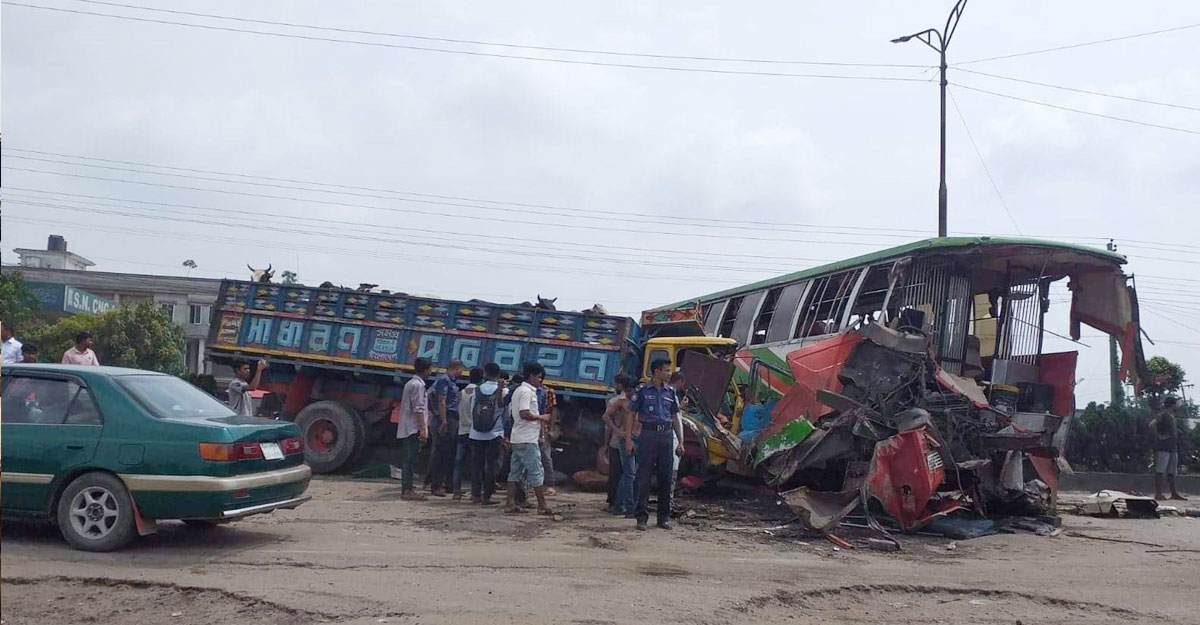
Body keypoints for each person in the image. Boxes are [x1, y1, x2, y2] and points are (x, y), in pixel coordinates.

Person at [629, 359, 685, 531]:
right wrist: (628, 439)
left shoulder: (670, 392)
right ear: (656, 371)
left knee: (666, 478)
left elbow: (675, 417)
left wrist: (680, 441)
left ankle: (663, 517)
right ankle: (641, 518)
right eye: (666, 370)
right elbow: (631, 414)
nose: (669, 374)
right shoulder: (643, 391)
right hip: (648, 435)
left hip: (666, 436)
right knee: (643, 477)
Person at [505, 362, 554, 516]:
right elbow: (524, 413)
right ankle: (542, 505)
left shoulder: (519, 390)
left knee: (515, 472)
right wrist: (542, 417)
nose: (541, 380)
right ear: (531, 376)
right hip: (527, 439)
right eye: (539, 377)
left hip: (518, 437)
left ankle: (510, 503)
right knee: (536, 472)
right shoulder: (527, 392)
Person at [392, 357, 432, 501]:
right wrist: (423, 428)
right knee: (411, 459)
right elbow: (418, 409)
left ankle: (407, 488)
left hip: (409, 427)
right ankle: (407, 490)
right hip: (413, 428)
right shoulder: (418, 386)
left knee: (409, 458)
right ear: (427, 370)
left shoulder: (411, 383)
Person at [470, 363, 507, 505]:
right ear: (498, 374)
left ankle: (475, 495)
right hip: (495, 433)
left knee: (477, 464)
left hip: (476, 432)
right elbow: (506, 413)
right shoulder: (503, 391)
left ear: (485, 373)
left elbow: (472, 410)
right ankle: (487, 496)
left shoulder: (477, 390)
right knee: (491, 465)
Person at [426, 359, 464, 497]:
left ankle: (448, 485)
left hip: (450, 417)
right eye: (461, 369)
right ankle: (436, 486)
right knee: (441, 454)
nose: (462, 372)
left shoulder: (451, 382)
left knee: (449, 453)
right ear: (456, 367)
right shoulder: (444, 380)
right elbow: (441, 401)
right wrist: (443, 421)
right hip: (446, 418)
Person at [603, 374, 636, 515]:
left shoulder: (637, 401)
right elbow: (606, 418)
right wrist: (618, 432)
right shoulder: (619, 401)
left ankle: (620, 504)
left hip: (630, 439)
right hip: (621, 440)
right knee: (624, 474)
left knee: (627, 474)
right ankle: (621, 504)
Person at [452, 367, 485, 500]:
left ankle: (456, 491)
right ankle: (475, 493)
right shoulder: (479, 393)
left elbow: (455, 411)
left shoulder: (461, 392)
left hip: (462, 430)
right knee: (476, 463)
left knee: (458, 462)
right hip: (474, 432)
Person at [1149, 397, 1187, 501]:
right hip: (1163, 447)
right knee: (1160, 471)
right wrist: (1159, 436)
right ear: (1172, 404)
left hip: (1172, 446)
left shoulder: (1171, 415)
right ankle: (1158, 493)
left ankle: (1173, 493)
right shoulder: (1163, 414)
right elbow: (1152, 425)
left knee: (1171, 471)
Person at [538, 385, 558, 496]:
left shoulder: (547, 392)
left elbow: (553, 411)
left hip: (542, 428)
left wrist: (551, 428)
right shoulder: (526, 390)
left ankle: (550, 484)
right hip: (530, 429)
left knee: (545, 457)